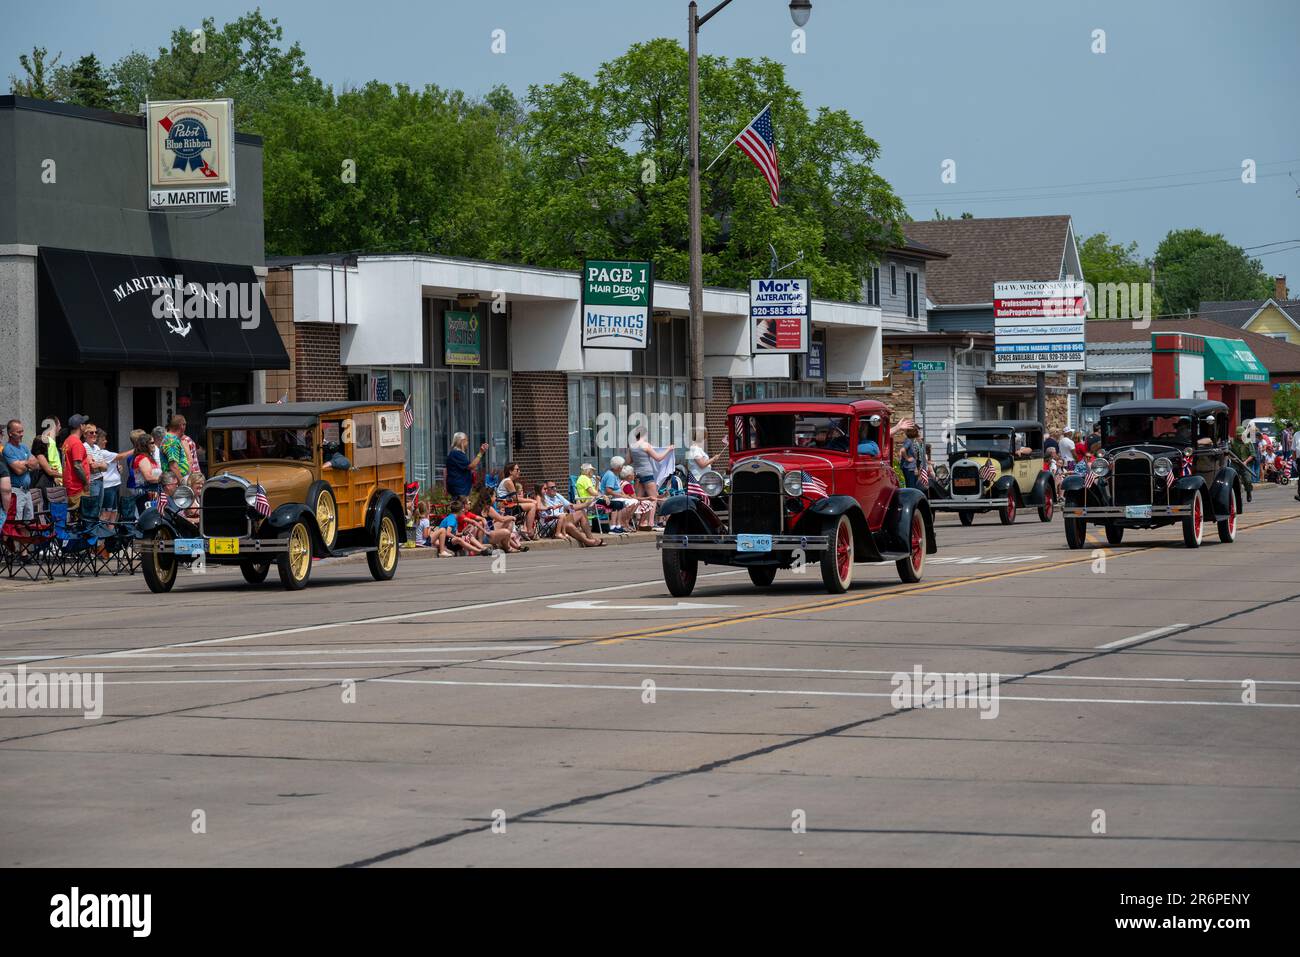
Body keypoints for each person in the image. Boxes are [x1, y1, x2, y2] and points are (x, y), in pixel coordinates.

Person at [540, 480, 604, 547]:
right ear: (546, 489)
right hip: (553, 523)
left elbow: (571, 507)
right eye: (552, 487)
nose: (555, 489)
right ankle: (588, 542)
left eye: (555, 487)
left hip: (563, 520)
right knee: (569, 524)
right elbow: (547, 514)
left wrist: (586, 504)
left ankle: (591, 539)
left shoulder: (557, 496)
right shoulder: (543, 498)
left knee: (581, 512)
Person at [3, 419, 38, 521]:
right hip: (16, 491)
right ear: (10, 433)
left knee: (29, 523)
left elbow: (36, 464)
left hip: (27, 491)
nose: (22, 434)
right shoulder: (8, 449)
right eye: (18, 432)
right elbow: (18, 470)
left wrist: (22, 463)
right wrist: (27, 463)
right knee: (17, 523)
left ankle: (27, 537)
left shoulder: (24, 447)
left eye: (22, 431)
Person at [61, 414, 92, 521]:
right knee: (81, 520)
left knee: (74, 518)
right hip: (77, 487)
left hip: (70, 486)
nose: (86, 426)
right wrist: (86, 483)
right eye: (84, 424)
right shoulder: (76, 443)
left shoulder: (67, 441)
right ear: (81, 426)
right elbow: (77, 466)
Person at [495, 462, 539, 538]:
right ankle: (529, 531)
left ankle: (525, 529)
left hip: (508, 504)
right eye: (517, 469)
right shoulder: (508, 481)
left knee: (532, 505)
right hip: (505, 506)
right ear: (510, 471)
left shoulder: (509, 481)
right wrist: (531, 500)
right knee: (532, 506)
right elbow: (515, 499)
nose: (519, 471)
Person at [629, 428, 673, 501]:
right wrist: (669, 449)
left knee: (639, 500)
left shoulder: (631, 446)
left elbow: (629, 461)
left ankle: (638, 512)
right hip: (647, 474)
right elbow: (658, 458)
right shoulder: (646, 445)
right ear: (644, 435)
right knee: (653, 499)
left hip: (637, 474)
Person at [598, 457, 635, 533]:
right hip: (605, 498)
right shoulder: (610, 475)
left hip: (612, 497)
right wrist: (622, 496)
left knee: (622, 503)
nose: (622, 467)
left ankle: (618, 525)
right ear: (618, 467)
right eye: (622, 465)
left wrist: (624, 495)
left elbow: (618, 489)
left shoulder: (614, 474)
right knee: (618, 504)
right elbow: (608, 490)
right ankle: (612, 527)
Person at [446, 433, 487, 498]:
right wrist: (481, 453)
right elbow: (471, 466)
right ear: (462, 441)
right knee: (461, 506)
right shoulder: (456, 453)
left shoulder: (456, 453)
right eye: (467, 440)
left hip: (460, 487)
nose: (468, 443)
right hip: (459, 488)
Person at [31, 416, 62, 489]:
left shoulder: (52, 443)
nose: (60, 428)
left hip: (57, 484)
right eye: (59, 425)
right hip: (47, 484)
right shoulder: (41, 440)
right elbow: (48, 469)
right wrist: (63, 476)